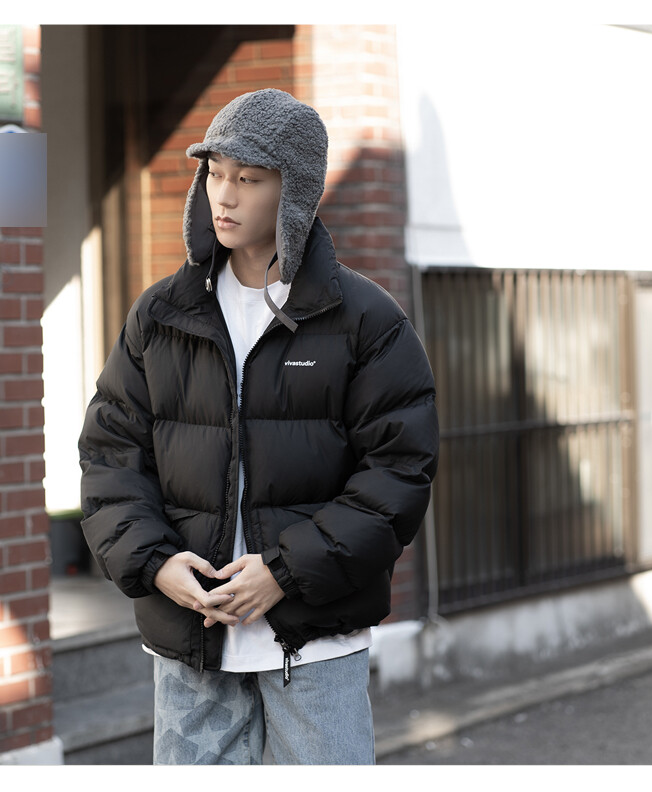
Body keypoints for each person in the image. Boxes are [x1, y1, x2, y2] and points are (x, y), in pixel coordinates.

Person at [78, 88, 439, 765]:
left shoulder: (366, 321)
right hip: (192, 645)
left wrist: (285, 572)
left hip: (314, 645)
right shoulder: (160, 316)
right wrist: (155, 564)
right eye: (215, 173)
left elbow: (398, 475)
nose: (225, 195)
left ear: (293, 192)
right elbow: (110, 457)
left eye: (248, 179)